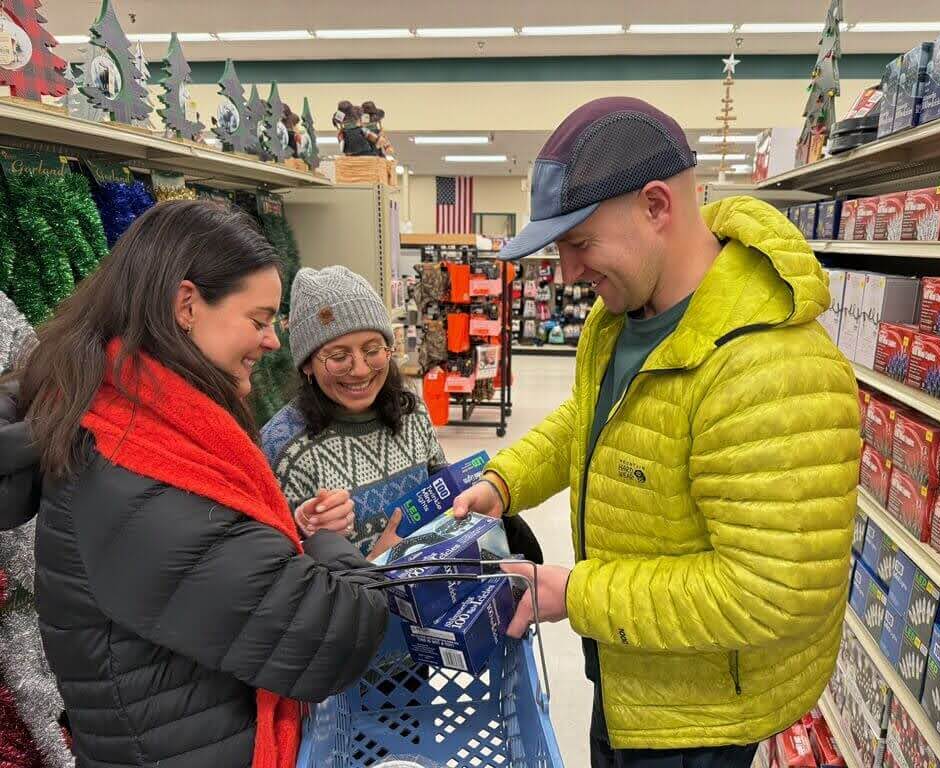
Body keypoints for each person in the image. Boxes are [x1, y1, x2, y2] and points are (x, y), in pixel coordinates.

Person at [453, 97, 861, 766]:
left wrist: (574, 594)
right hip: (629, 668)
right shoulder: (622, 316)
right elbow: (590, 418)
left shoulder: (771, 367)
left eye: (580, 244)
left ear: (656, 206)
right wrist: (504, 481)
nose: (570, 274)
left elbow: (771, 591)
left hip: (699, 716)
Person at [1, 200, 390, 768]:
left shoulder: (125, 419)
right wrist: (329, 550)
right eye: (258, 321)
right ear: (187, 304)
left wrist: (290, 537)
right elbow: (331, 633)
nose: (274, 342)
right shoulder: (137, 468)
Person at [261, 266, 543, 563]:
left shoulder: (412, 412)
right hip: (360, 605)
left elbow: (440, 487)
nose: (360, 369)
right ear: (307, 364)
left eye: (373, 350)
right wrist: (371, 560)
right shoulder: (282, 447)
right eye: (339, 357)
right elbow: (284, 578)